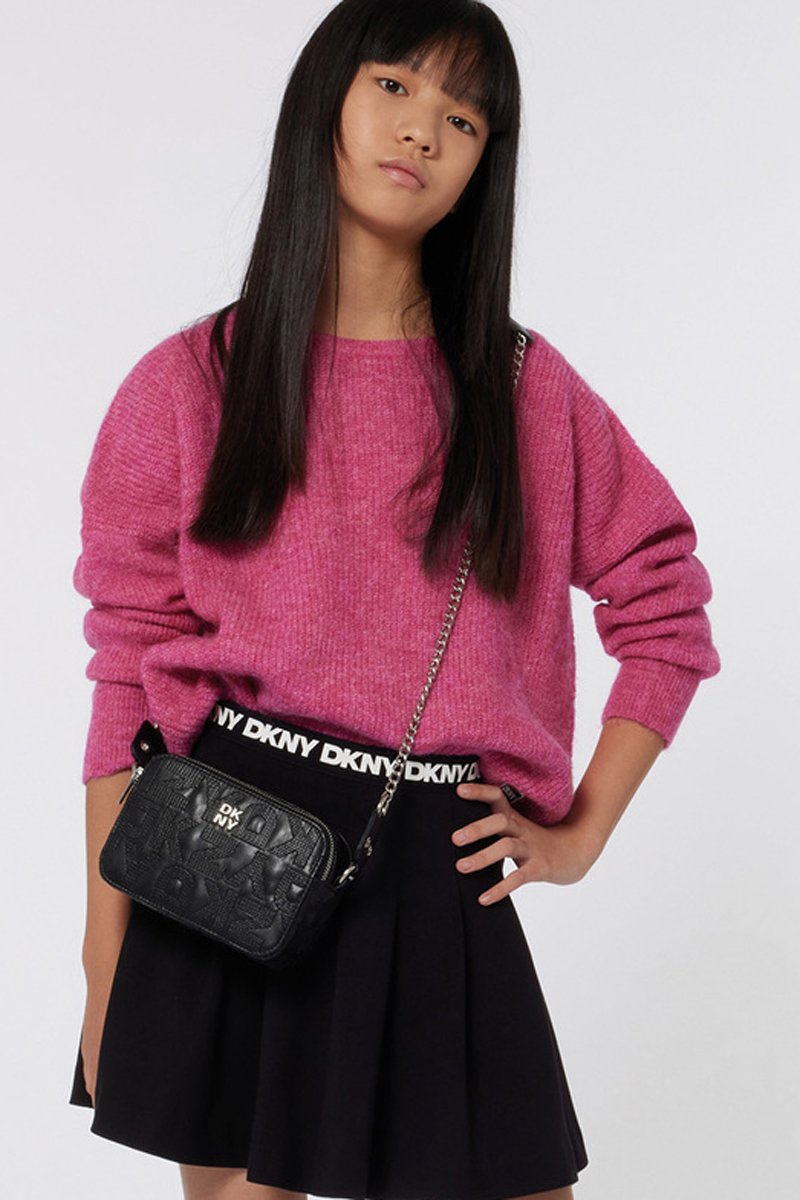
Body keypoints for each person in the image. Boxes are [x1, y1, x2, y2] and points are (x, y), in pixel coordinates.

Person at [68, 1, 722, 1198]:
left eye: (463, 117)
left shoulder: (523, 392)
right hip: (226, 839)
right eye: (394, 86)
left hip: (432, 851)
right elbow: (129, 676)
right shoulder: (187, 384)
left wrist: (581, 831)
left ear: (483, 165)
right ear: (325, 95)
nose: (423, 129)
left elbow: (663, 603)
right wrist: (99, 953)